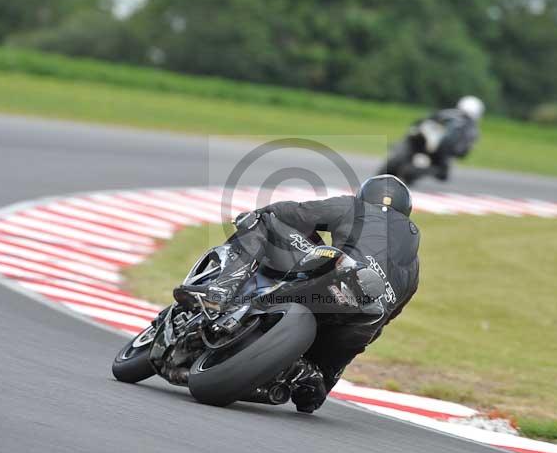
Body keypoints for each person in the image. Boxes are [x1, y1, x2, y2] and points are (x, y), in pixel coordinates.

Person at [175, 175, 420, 413]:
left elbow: (297, 212)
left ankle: (219, 291)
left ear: (366, 195)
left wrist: (259, 212)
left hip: (340, 272)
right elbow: (386, 320)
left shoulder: (355, 207)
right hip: (366, 315)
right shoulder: (413, 268)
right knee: (313, 395)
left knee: (263, 220)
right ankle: (310, 378)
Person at [379, 95, 484, 184]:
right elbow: (462, 152)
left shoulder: (448, 112)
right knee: (443, 173)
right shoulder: (472, 129)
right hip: (436, 147)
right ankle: (411, 171)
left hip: (428, 141)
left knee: (442, 172)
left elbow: (423, 119)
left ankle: (409, 170)